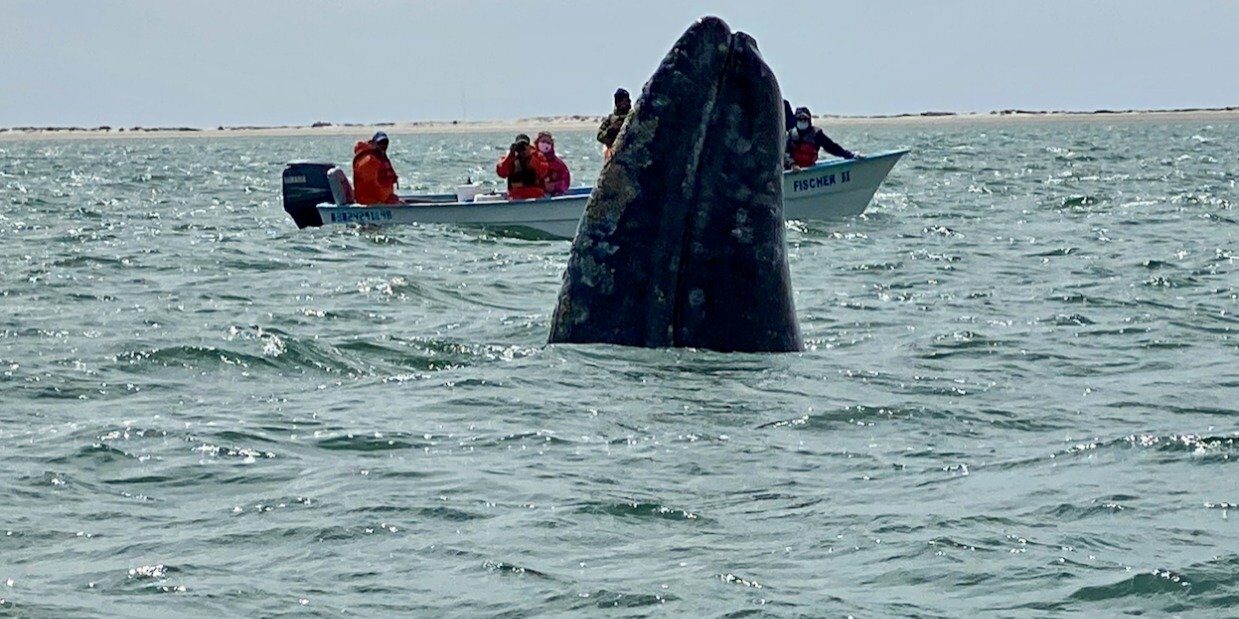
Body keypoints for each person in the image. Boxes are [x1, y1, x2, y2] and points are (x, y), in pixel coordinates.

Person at [785, 107, 859, 171]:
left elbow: (832, 147)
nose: (802, 121)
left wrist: (850, 155)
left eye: (804, 119)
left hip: (810, 168)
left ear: (809, 120)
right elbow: (785, 153)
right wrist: (792, 164)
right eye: (799, 119)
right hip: (792, 171)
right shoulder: (791, 134)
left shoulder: (816, 134)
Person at [352, 131, 402, 205]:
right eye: (380, 143)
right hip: (370, 202)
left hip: (380, 200)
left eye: (385, 143)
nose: (383, 145)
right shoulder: (369, 160)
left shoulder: (380, 157)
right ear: (373, 144)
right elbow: (372, 187)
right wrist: (386, 199)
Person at [496, 133, 549, 200]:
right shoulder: (510, 158)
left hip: (535, 195)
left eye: (525, 146)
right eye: (520, 146)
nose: (522, 149)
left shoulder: (537, 156)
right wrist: (510, 157)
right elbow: (502, 173)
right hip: (515, 196)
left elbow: (543, 172)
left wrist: (530, 158)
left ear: (529, 146)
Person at [596, 88, 632, 160]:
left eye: (626, 101)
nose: (624, 104)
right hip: (615, 155)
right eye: (622, 101)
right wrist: (612, 129)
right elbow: (600, 136)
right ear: (617, 103)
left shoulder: (633, 116)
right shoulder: (611, 119)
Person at [535, 132, 571, 196]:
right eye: (543, 141)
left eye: (548, 143)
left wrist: (554, 186)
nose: (545, 144)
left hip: (554, 195)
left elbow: (566, 182)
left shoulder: (558, 163)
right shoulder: (530, 160)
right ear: (537, 143)